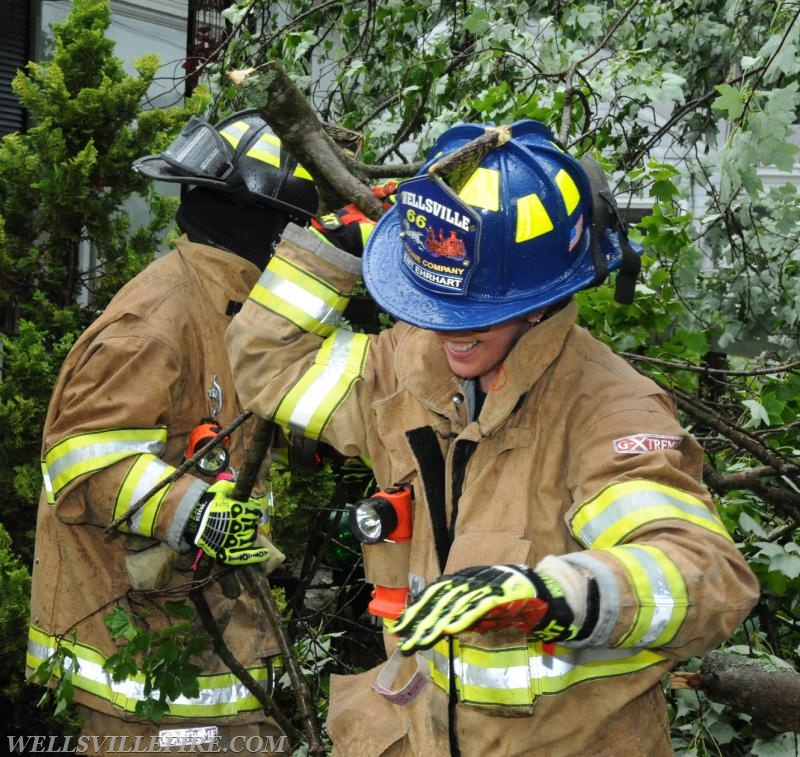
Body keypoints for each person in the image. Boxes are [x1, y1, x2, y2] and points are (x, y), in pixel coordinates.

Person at [224, 119, 760, 756]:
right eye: (430, 302)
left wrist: (553, 596)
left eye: (478, 312)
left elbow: (706, 576)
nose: (450, 332)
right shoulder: (405, 368)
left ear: (542, 300)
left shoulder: (607, 409)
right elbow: (267, 362)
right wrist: (333, 251)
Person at [26, 109, 323, 755]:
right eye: (291, 225)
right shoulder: (159, 320)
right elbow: (83, 460)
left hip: (205, 632)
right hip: (143, 663)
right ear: (262, 222)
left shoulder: (228, 306)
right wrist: (202, 516)